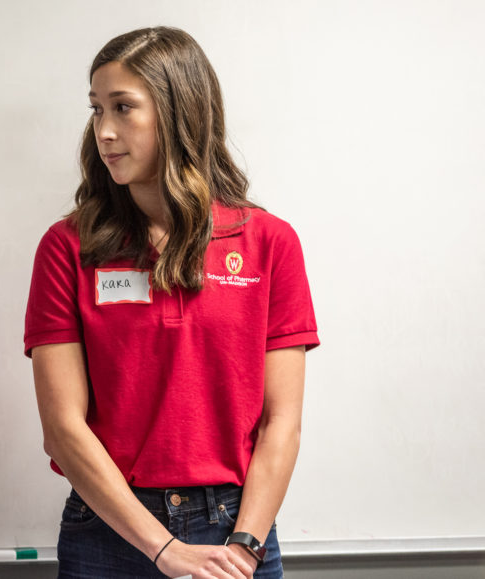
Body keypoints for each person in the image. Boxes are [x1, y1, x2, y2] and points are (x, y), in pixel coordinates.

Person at [24, 27, 318, 579]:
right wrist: (163, 549)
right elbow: (63, 428)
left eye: (123, 108)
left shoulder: (270, 243)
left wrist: (246, 545)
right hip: (109, 531)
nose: (104, 132)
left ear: (180, 112)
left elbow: (282, 421)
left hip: (239, 526)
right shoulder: (68, 247)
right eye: (96, 109)